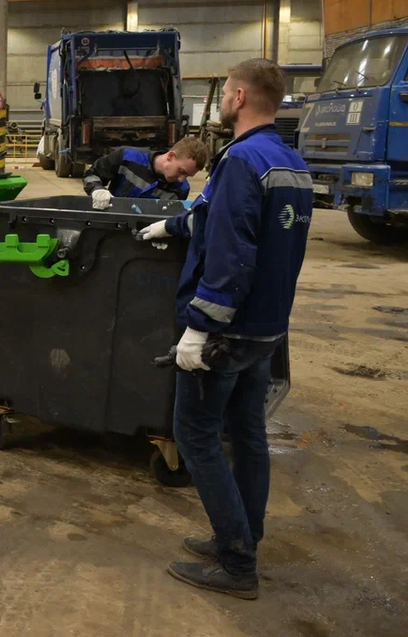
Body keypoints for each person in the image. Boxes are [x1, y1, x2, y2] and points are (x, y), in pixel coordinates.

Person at [140, 58, 312, 600]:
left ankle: (237, 564)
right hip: (266, 329)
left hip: (226, 333)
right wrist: (170, 222)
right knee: (246, 434)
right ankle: (242, 535)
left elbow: (232, 253)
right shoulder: (288, 162)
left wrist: (199, 328)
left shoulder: (239, 160)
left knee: (194, 434)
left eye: (226, 94)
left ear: (238, 97)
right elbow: (219, 219)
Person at [82, 137, 209, 210]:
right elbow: (92, 174)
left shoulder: (181, 189)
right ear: (170, 156)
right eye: (181, 171)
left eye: (187, 176)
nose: (182, 179)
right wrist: (97, 189)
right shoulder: (127, 157)